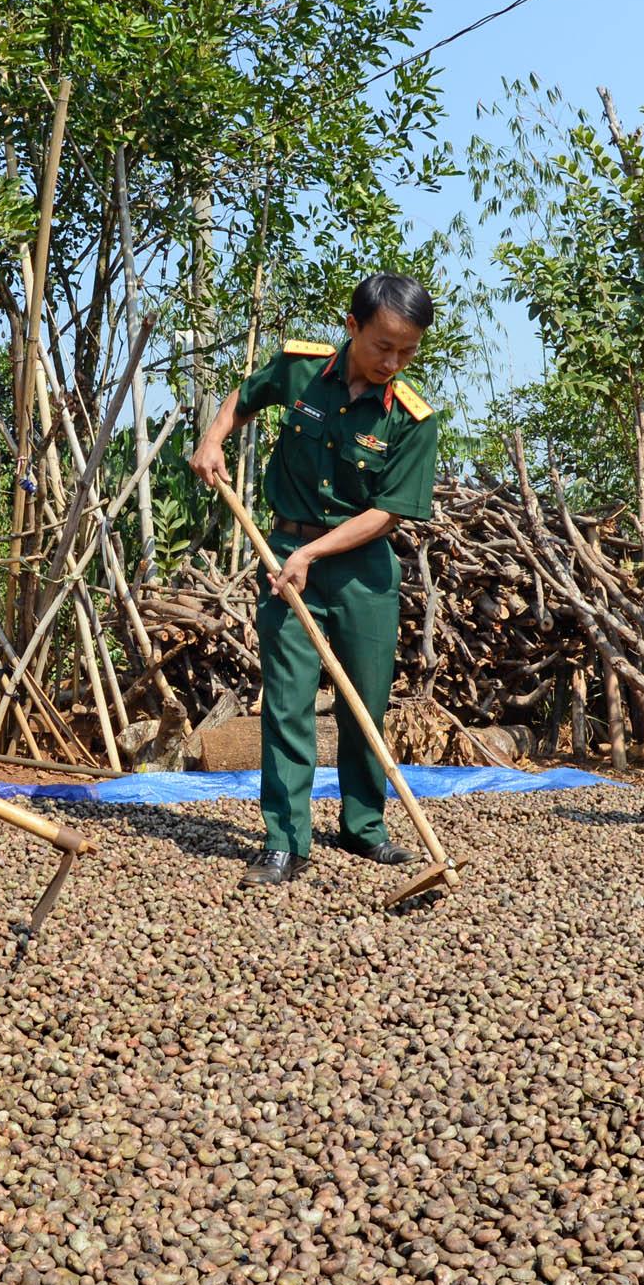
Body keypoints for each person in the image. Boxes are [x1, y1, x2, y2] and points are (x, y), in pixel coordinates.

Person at [190, 273, 443, 886]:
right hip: (285, 553)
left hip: (361, 571)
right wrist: (214, 437)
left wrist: (315, 554)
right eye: (384, 346)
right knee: (287, 698)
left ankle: (363, 829)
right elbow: (243, 397)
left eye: (407, 351)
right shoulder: (300, 370)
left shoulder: (412, 419)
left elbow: (387, 513)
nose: (394, 362)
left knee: (366, 705)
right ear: (352, 327)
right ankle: (285, 839)